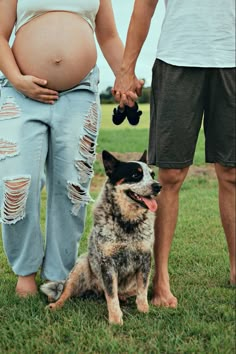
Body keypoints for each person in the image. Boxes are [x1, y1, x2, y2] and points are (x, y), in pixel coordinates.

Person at [112, 0, 236, 307]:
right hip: (177, 58)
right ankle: (160, 280)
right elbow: (144, 5)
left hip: (232, 61)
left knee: (233, 173)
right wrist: (126, 69)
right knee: (169, 175)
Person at [0, 0, 125, 297]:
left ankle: (58, 275)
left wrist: (125, 76)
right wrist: (17, 79)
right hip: (20, 92)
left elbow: (108, 36)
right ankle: (25, 272)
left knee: (72, 185)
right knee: (15, 182)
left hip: (79, 94)